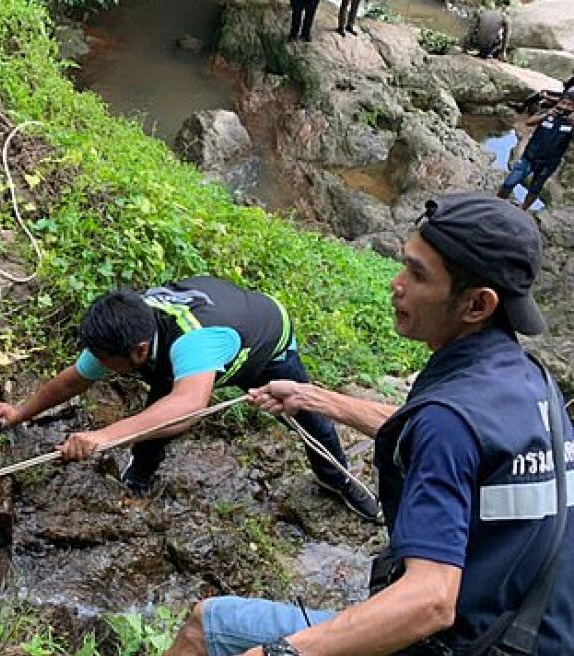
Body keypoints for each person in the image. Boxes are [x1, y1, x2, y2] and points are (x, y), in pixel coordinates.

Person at [167, 193, 573, 656]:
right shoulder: (528, 381)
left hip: (454, 642)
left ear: (477, 305)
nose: (397, 284)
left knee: (207, 628)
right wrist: (310, 397)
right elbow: (440, 439)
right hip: (529, 634)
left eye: (418, 274)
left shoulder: (449, 417)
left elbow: (430, 600)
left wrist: (283, 653)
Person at [0, 276, 380, 522]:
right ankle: (140, 473)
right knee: (155, 417)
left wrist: (104, 436)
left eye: (104, 361)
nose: (97, 365)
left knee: (312, 421)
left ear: (137, 352)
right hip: (197, 352)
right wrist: (18, 413)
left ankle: (337, 480)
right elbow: (72, 381)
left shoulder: (194, 343)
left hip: (265, 348)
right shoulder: (123, 331)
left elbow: (188, 407)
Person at [497, 90, 574, 212]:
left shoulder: (571, 123)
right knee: (510, 182)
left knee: (535, 187)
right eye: (563, 103)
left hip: (548, 163)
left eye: (569, 105)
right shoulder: (549, 114)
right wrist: (547, 114)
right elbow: (529, 122)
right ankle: (497, 204)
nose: (564, 106)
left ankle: (523, 209)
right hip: (529, 157)